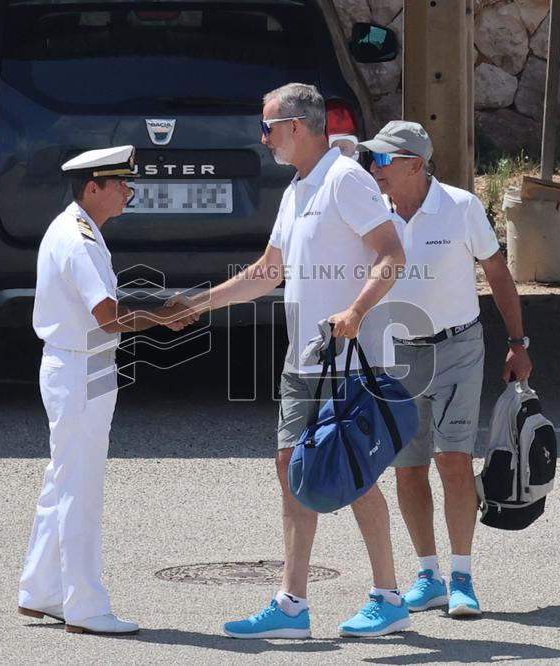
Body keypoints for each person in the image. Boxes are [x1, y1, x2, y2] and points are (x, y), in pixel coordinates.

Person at [176, 83, 409, 638]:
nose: (264, 139)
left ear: (297, 127)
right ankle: (291, 606)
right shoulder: (298, 187)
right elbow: (268, 271)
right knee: (293, 468)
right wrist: (197, 304)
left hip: (344, 360)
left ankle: (388, 596)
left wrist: (355, 310)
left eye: (269, 128)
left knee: (352, 472)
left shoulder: (345, 179)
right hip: (301, 360)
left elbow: (392, 253)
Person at [17, 145, 196, 635]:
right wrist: (164, 315)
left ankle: (42, 591)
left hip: (77, 365)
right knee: (80, 489)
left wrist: (159, 312)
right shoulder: (79, 239)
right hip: (81, 368)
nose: (127, 192)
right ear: (92, 187)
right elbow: (108, 318)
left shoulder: (75, 228)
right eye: (120, 184)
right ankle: (85, 606)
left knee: (63, 481)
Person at [356, 121, 532, 617]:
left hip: (458, 348)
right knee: (408, 467)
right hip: (396, 353)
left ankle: (462, 577)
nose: (374, 168)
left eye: (384, 159)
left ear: (416, 164)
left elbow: (498, 274)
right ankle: (428, 575)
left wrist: (518, 343)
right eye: (372, 159)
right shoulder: (371, 212)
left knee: (452, 460)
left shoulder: (461, 206)